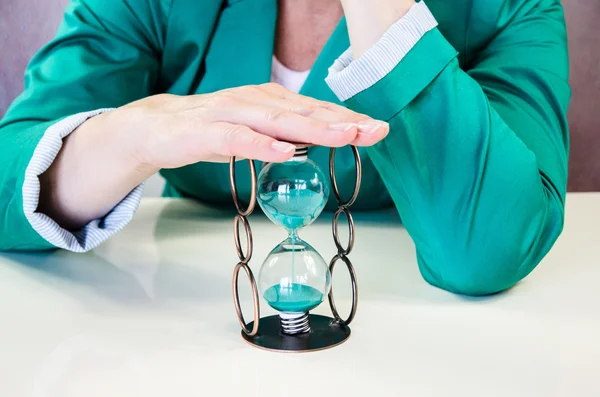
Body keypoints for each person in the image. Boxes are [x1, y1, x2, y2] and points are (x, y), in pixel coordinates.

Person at [0, 0, 570, 296]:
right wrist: (134, 136)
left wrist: (385, 20)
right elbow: (10, 171)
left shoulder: (509, 8)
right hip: (174, 309)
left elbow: (485, 252)